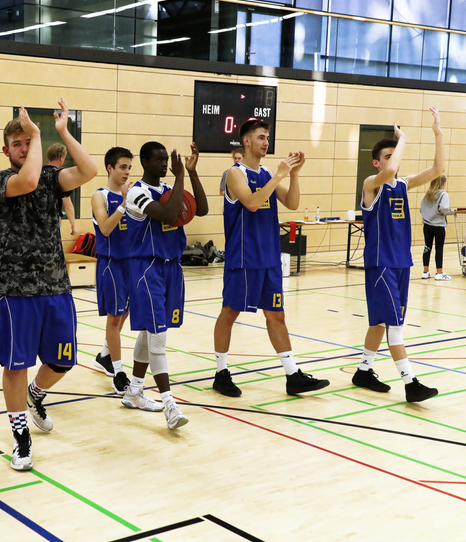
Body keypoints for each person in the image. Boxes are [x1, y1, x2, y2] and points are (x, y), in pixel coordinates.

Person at [0, 100, 97, 471]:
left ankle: (36, 394)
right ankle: (21, 437)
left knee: (63, 360)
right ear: (7, 150)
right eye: (17, 143)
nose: (24, 147)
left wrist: (63, 132)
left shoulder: (53, 178)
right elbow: (29, 179)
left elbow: (89, 169)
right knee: (15, 365)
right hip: (14, 289)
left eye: (27, 141)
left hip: (55, 286)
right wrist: (37, 134)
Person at [213, 120, 329, 398]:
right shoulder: (234, 173)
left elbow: (291, 203)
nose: (266, 141)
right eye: (261, 137)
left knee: (277, 315)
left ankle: (293, 376)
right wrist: (278, 175)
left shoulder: (266, 173)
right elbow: (252, 203)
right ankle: (221, 373)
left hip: (269, 257)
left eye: (268, 137)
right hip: (243, 257)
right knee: (230, 312)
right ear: (247, 142)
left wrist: (294, 175)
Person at [353, 108, 445, 403]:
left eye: (395, 154)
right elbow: (391, 171)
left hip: (401, 262)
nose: (393, 161)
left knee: (380, 322)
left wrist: (438, 133)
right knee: (394, 324)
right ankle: (410, 383)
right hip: (381, 263)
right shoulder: (371, 184)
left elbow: (437, 170)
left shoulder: (403, 185)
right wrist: (403, 138)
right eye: (387, 156)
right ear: (376, 162)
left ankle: (364, 370)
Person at [124, 141, 208, 429]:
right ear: (144, 162)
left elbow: (203, 209)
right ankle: (170, 405)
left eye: (165, 160)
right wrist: (180, 176)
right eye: (158, 160)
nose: (164, 164)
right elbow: (170, 215)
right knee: (158, 335)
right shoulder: (137, 192)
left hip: (172, 267)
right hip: (147, 267)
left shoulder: (169, 191)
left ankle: (134, 390)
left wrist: (192, 173)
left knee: (152, 330)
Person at [91, 147, 133, 395]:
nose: (127, 172)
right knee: (114, 318)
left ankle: (104, 355)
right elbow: (105, 229)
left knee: (124, 315)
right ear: (110, 167)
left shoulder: (133, 193)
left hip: (131, 263)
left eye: (129, 167)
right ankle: (118, 373)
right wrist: (125, 204)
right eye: (122, 167)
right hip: (111, 263)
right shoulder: (100, 196)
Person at [420, 174, 454, 281]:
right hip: (438, 225)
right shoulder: (443, 194)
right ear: (443, 183)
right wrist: (451, 212)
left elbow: (421, 208)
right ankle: (439, 272)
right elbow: (444, 208)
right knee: (439, 248)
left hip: (427, 225)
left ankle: (425, 271)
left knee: (427, 247)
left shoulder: (428, 194)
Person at [47, 143, 79, 236]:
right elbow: (67, 205)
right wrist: (73, 225)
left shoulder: (38, 173)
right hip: (52, 220)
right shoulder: (60, 176)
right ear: (61, 158)